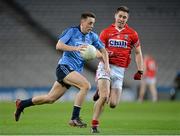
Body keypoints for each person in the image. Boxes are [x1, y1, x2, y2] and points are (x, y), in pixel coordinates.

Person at [14, 12, 110, 128]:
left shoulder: (92, 36)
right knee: (86, 86)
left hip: (73, 71)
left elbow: (103, 51)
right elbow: (58, 45)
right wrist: (76, 48)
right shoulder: (72, 31)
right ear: (82, 22)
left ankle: (22, 104)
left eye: (93, 24)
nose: (91, 26)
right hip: (64, 67)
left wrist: (106, 64)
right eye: (90, 23)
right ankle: (74, 118)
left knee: (50, 98)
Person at [91, 6, 144, 133]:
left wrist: (140, 70)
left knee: (113, 104)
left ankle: (101, 90)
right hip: (105, 67)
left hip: (120, 71)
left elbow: (138, 53)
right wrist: (105, 54)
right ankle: (94, 125)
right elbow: (96, 52)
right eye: (120, 16)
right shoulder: (106, 32)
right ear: (115, 16)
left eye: (124, 17)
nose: (121, 19)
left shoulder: (132, 34)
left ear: (127, 19)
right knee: (104, 97)